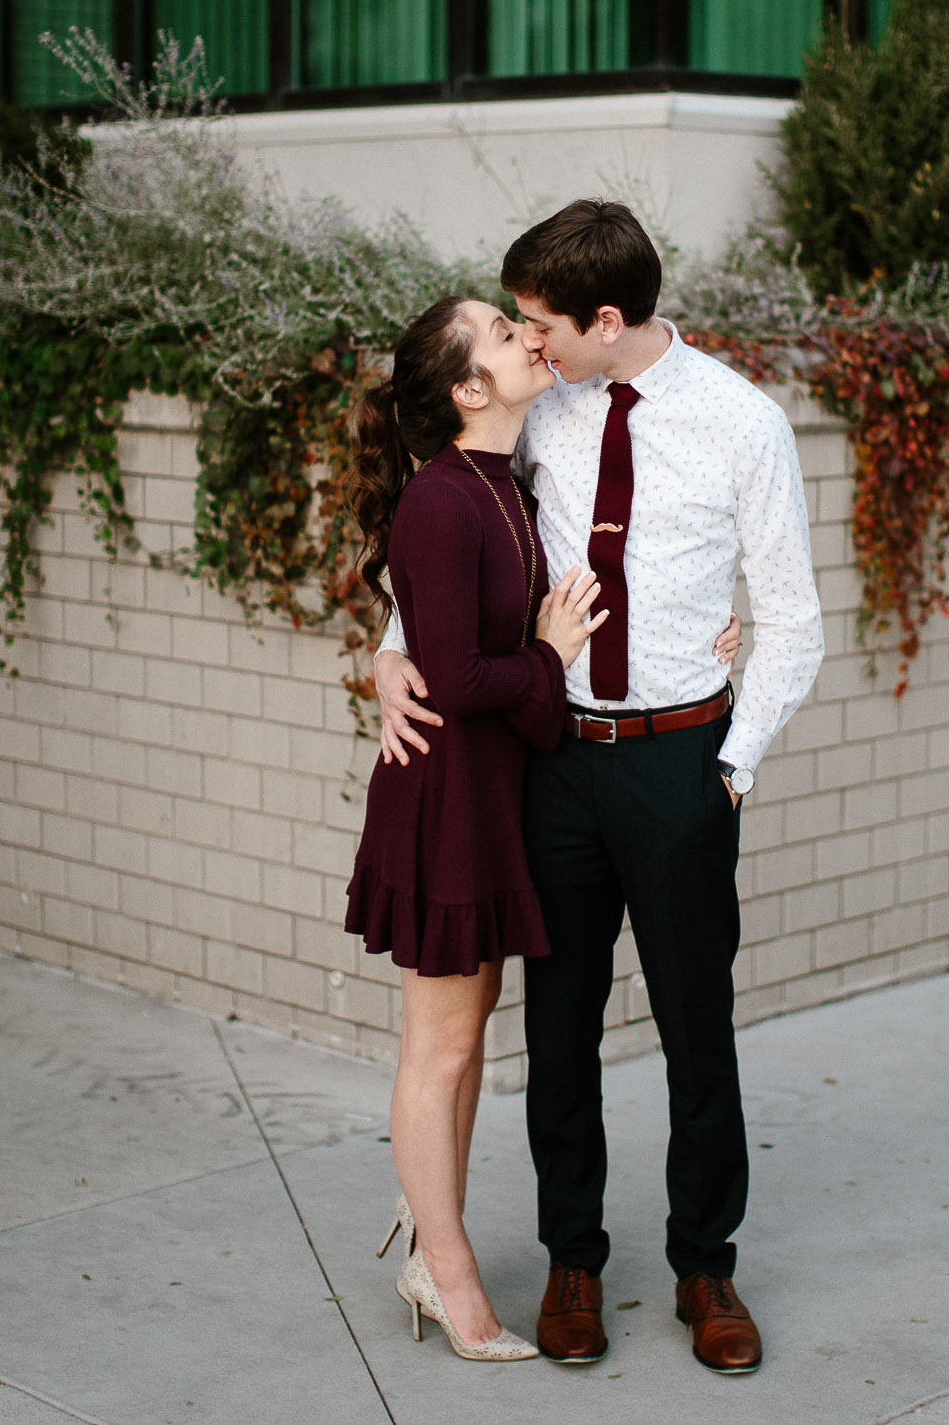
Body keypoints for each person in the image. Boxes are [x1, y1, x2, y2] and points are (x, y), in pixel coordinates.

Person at [375, 200, 825, 1376]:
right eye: (515, 325)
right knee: (560, 1030)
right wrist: (388, 648)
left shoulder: (741, 422)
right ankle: (572, 1257)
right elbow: (446, 524)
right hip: (554, 761)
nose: (530, 342)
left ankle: (703, 1264)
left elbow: (792, 620)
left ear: (605, 319)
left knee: (696, 1029)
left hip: (682, 760)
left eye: (539, 323)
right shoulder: (539, 411)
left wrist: (730, 768)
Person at [345, 293, 605, 1362]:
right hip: (446, 797)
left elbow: (460, 660)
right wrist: (548, 661)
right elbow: (453, 676)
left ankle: (429, 1234)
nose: (523, 338)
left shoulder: (503, 476)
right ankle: (446, 1271)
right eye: (502, 333)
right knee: (441, 1043)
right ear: (466, 389)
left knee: (470, 1028)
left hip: (489, 791)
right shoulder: (444, 502)